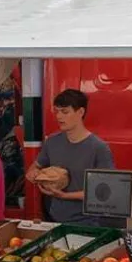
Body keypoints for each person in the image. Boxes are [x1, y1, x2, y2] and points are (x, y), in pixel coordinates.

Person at [26, 89, 114, 225]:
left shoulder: (99, 148)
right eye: (57, 111)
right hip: (54, 219)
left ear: (80, 112)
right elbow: (35, 166)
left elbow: (103, 192)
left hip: (87, 222)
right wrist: (33, 174)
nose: (59, 116)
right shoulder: (52, 142)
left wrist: (65, 196)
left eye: (65, 112)